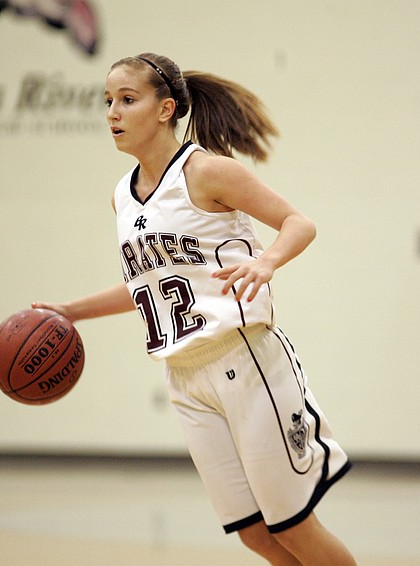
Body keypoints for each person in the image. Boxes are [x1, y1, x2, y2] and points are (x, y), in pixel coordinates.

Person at [34, 52, 356, 566]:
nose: (112, 113)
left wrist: (267, 262)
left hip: (246, 363)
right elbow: (148, 285)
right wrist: (70, 312)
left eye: (127, 100)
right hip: (184, 378)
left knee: (294, 529)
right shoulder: (122, 196)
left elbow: (299, 223)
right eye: (108, 102)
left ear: (165, 110)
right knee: (255, 535)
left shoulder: (206, 171)